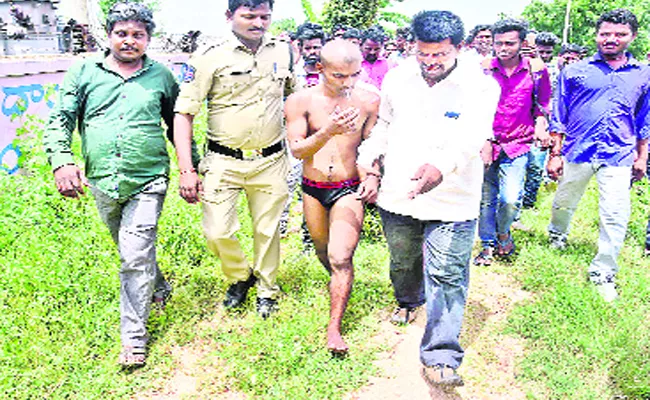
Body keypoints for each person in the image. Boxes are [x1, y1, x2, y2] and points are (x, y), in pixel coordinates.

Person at [43, 2, 191, 367]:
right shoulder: (83, 73)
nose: (129, 41)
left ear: (148, 39)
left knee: (133, 255)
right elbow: (60, 119)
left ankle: (134, 340)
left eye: (138, 35)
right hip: (102, 179)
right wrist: (62, 160)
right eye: (121, 34)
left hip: (148, 178)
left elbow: (178, 127)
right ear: (108, 36)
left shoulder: (161, 76)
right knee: (129, 249)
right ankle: (157, 285)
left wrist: (192, 169)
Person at [357, 10, 500, 388]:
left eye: (440, 55)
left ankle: (441, 355)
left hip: (454, 198)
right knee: (403, 262)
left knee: (448, 273)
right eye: (424, 54)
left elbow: (472, 135)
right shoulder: (398, 76)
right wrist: (368, 156)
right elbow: (385, 124)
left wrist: (440, 166)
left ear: (459, 48)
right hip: (398, 195)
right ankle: (408, 300)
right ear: (412, 46)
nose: (431, 63)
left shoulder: (480, 85)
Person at [173, 0, 296, 318]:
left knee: (268, 230)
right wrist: (186, 169)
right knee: (217, 232)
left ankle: (267, 290)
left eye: (264, 16)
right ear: (229, 16)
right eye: (249, 15)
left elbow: (295, 99)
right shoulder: (208, 56)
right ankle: (240, 276)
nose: (258, 22)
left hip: (271, 159)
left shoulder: (284, 52)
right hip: (222, 161)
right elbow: (184, 113)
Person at [547, 9, 650, 301]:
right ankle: (557, 234)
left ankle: (603, 272)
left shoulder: (643, 75)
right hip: (578, 150)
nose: (611, 39)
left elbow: (645, 119)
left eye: (619, 34)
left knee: (615, 214)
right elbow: (559, 114)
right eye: (605, 33)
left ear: (633, 36)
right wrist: (555, 153)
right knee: (565, 202)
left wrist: (642, 156)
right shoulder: (575, 71)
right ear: (596, 35)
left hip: (619, 153)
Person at [285, 39, 380, 354]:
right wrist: (328, 131)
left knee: (341, 256)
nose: (348, 83)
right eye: (339, 76)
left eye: (354, 74)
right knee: (323, 253)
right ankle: (340, 284)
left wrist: (372, 176)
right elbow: (297, 151)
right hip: (313, 188)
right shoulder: (301, 101)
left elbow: (372, 147)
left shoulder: (367, 101)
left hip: (347, 188)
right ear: (320, 68)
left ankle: (334, 329)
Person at [474, 19, 551, 266]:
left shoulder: (536, 71)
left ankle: (503, 231)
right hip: (488, 142)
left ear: (522, 44)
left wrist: (540, 125)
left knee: (510, 198)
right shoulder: (483, 70)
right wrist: (481, 138)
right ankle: (486, 245)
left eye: (510, 43)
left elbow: (542, 105)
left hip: (518, 143)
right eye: (498, 43)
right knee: (486, 197)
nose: (503, 48)